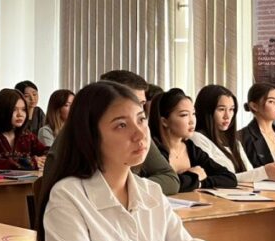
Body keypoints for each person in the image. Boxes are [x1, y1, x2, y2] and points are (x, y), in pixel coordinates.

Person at [37, 80, 238, 241]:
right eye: (121, 125)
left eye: (141, 119)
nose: (140, 133)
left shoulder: (149, 191)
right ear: (90, 136)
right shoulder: (68, 196)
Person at [43, 70, 179, 195]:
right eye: (121, 124)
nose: (140, 133)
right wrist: (125, 188)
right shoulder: (73, 140)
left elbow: (170, 178)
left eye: (141, 104)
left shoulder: (138, 132)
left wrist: (128, 188)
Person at [191, 85, 275, 184]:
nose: (227, 116)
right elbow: (221, 179)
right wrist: (265, 172)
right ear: (207, 110)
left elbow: (249, 173)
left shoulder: (234, 142)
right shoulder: (197, 138)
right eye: (221, 109)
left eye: (231, 109)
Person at [149, 89, 237, 191]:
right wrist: (193, 177)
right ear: (164, 121)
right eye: (184, 115)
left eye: (194, 114)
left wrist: (199, 183)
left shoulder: (191, 148)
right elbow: (159, 185)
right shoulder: (153, 150)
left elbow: (230, 178)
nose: (192, 121)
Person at [0, 88, 49, 170]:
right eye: (14, 109)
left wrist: (44, 159)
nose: (20, 114)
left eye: (23, 110)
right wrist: (30, 163)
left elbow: (47, 151)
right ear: (2, 111)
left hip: (27, 178)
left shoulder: (26, 135)